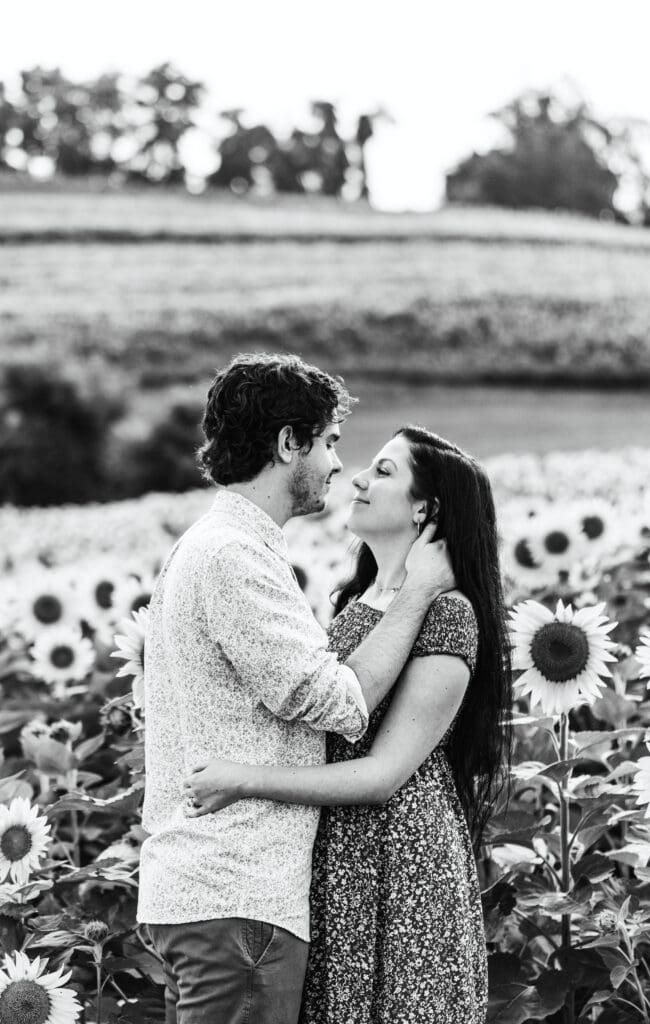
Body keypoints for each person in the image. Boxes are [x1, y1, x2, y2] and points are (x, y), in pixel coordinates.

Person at [137, 355, 456, 1024]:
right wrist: (419, 590)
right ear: (289, 443)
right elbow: (340, 702)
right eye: (329, 442)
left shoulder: (215, 545)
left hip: (212, 897)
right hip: (236, 893)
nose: (339, 466)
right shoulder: (232, 556)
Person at [184, 425, 513, 1024]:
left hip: (400, 860)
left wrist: (245, 779)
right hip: (340, 856)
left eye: (384, 471)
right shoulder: (359, 602)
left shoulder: (447, 613)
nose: (357, 477)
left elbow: (383, 776)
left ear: (425, 509)